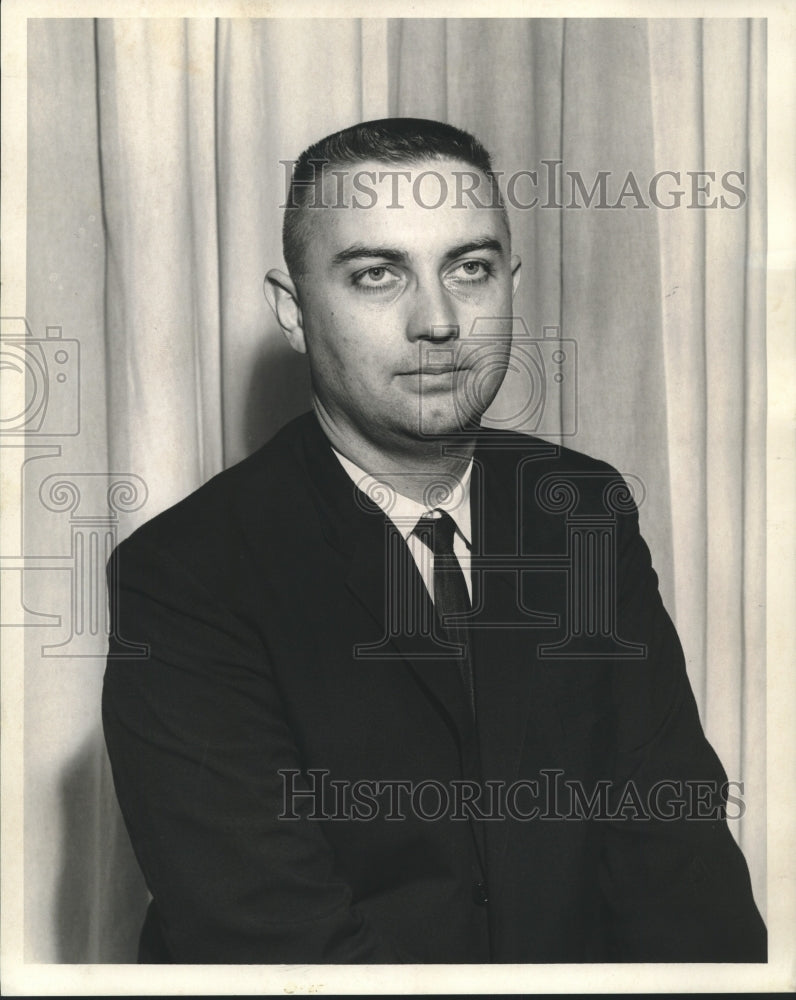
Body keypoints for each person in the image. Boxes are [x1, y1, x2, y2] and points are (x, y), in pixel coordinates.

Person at [102, 118, 766, 964]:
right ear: (293, 311)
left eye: (470, 268)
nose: (440, 321)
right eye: (377, 275)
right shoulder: (185, 574)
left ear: (511, 283)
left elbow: (679, 867)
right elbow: (272, 943)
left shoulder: (581, 508)